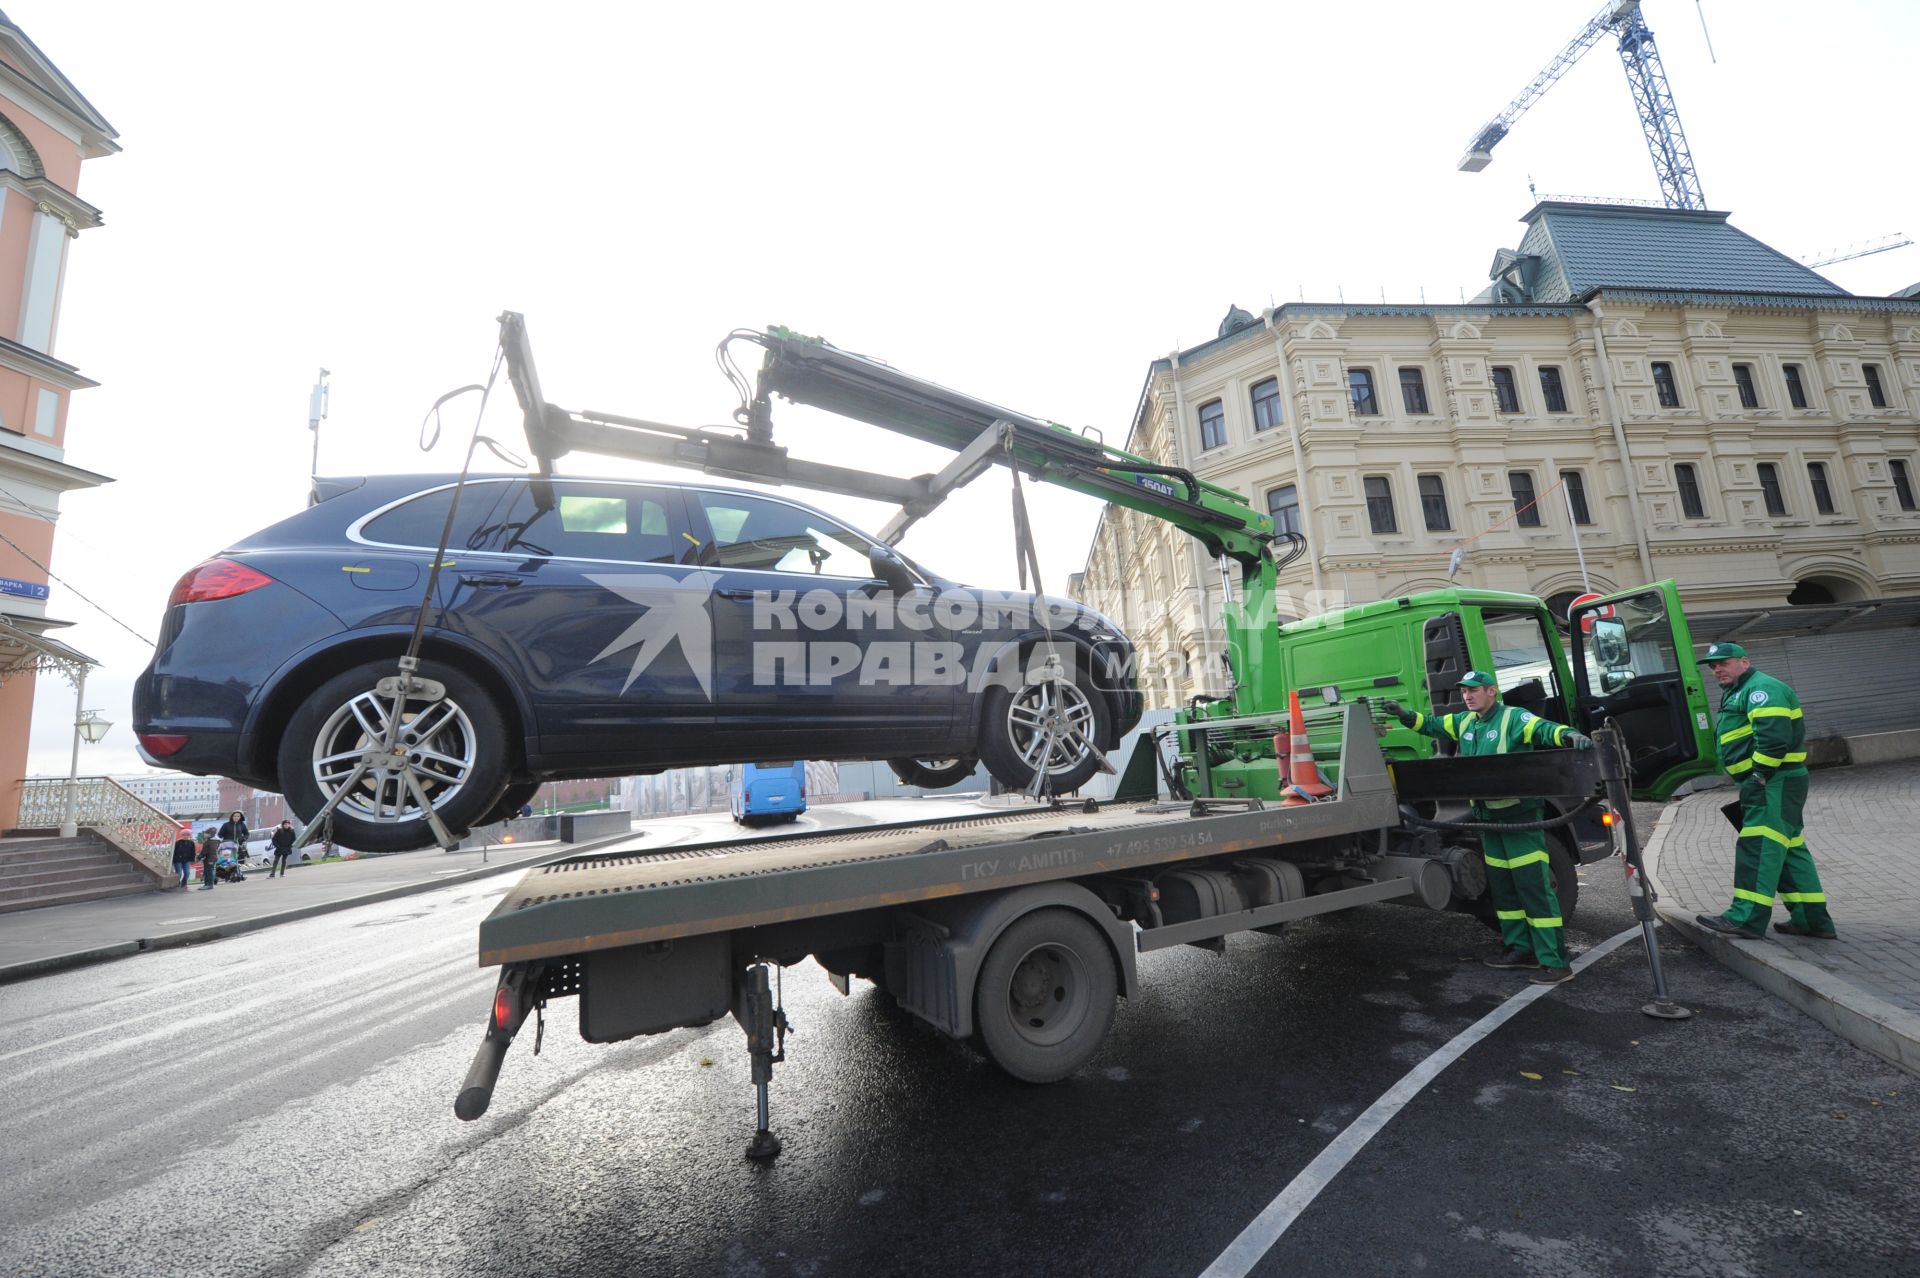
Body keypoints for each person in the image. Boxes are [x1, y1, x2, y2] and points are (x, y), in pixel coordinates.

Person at [1384, 671, 1593, 985]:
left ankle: (1554, 962)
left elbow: (1545, 730)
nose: (1468, 696)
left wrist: (1570, 736)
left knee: (1533, 889)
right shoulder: (1466, 723)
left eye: (1474, 691)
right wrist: (1404, 715)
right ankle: (1519, 949)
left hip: (1519, 820)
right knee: (1504, 890)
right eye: (1465, 692)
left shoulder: (1513, 718)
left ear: (1491, 691)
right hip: (1488, 820)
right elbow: (1431, 725)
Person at [1692, 642, 1837, 941]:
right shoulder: (1741, 690)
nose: (1717, 669)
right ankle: (1811, 919)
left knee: (1758, 848)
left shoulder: (1761, 688)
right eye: (1712, 665)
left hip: (1772, 782)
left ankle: (1745, 917)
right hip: (1775, 782)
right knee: (1789, 850)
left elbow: (1773, 737)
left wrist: (1758, 776)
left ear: (1744, 661)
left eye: (1724, 663)